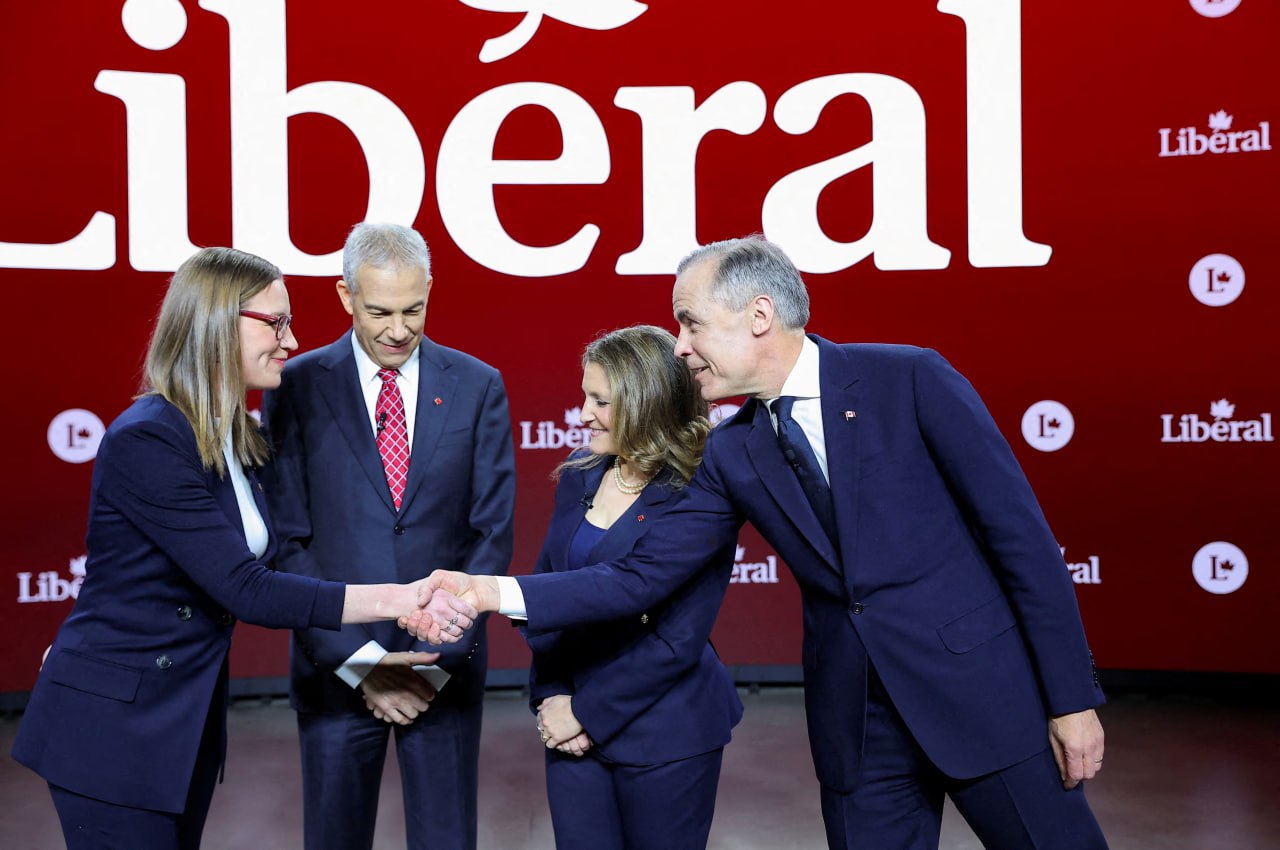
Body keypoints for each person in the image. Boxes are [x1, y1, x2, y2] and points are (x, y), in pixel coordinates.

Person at [413, 236, 1110, 850]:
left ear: (758, 317)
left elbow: (1023, 544)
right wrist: (489, 591)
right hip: (857, 730)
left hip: (986, 700)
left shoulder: (910, 379)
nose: (678, 346)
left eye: (691, 323)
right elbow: (643, 575)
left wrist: (1071, 700)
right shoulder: (731, 451)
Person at [11, 247, 474, 850]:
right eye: (275, 323)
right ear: (214, 322)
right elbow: (248, 589)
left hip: (179, 721)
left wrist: (363, 655)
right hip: (115, 726)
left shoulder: (235, 435)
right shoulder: (149, 439)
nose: (291, 339)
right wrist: (402, 598)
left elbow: (281, 560)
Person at [260, 222, 515, 850]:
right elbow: (289, 540)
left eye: (414, 309)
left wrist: (434, 659)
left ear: (430, 289)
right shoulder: (294, 387)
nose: (399, 329)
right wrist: (362, 664)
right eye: (379, 311)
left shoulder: (478, 384)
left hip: (443, 668)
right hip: (336, 667)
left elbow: (491, 532)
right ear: (345, 296)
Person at [526, 326, 742, 850]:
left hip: (666, 735)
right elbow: (551, 592)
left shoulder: (699, 492)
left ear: (646, 404)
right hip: (569, 730)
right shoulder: (582, 473)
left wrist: (584, 713)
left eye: (601, 401)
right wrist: (552, 695)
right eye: (584, 396)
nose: (583, 414)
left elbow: (675, 641)